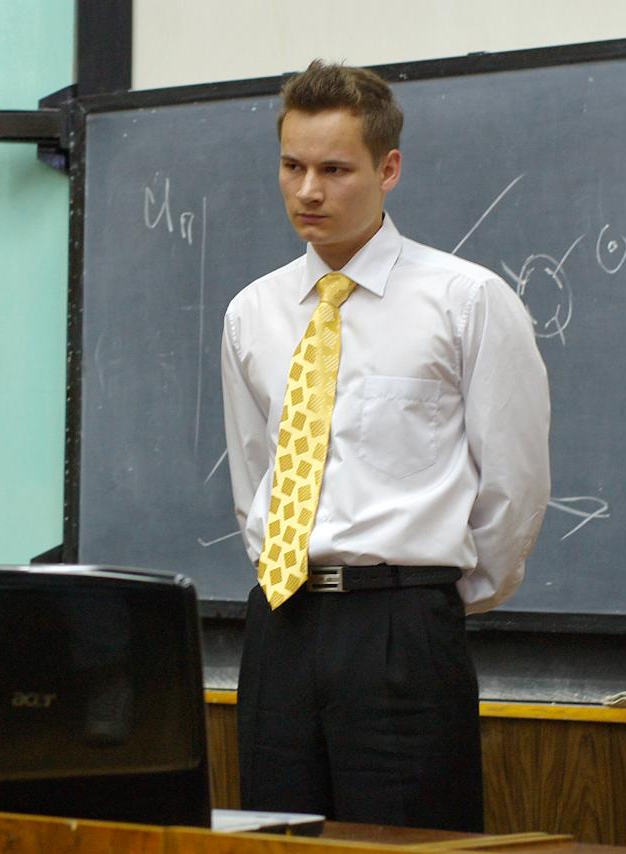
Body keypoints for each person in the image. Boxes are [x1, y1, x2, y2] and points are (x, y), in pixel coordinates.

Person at [220, 60, 551, 832]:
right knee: (275, 837)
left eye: (335, 170)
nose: (309, 191)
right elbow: (254, 470)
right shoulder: (252, 312)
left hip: (402, 626)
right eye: (293, 167)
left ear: (387, 169)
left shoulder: (464, 300)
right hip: (280, 621)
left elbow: (514, 483)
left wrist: (428, 599)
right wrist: (280, 570)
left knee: (406, 839)